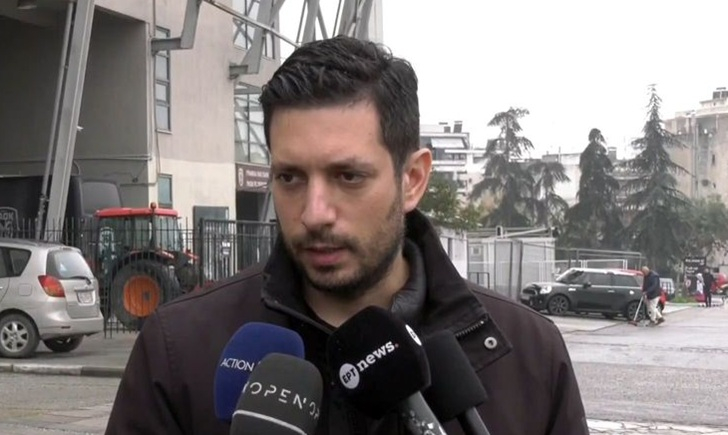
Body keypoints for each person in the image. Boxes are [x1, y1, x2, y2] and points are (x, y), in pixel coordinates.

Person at [105, 36, 588, 435]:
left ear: (412, 179)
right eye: (290, 177)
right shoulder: (179, 349)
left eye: (348, 176)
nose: (314, 214)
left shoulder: (530, 357)